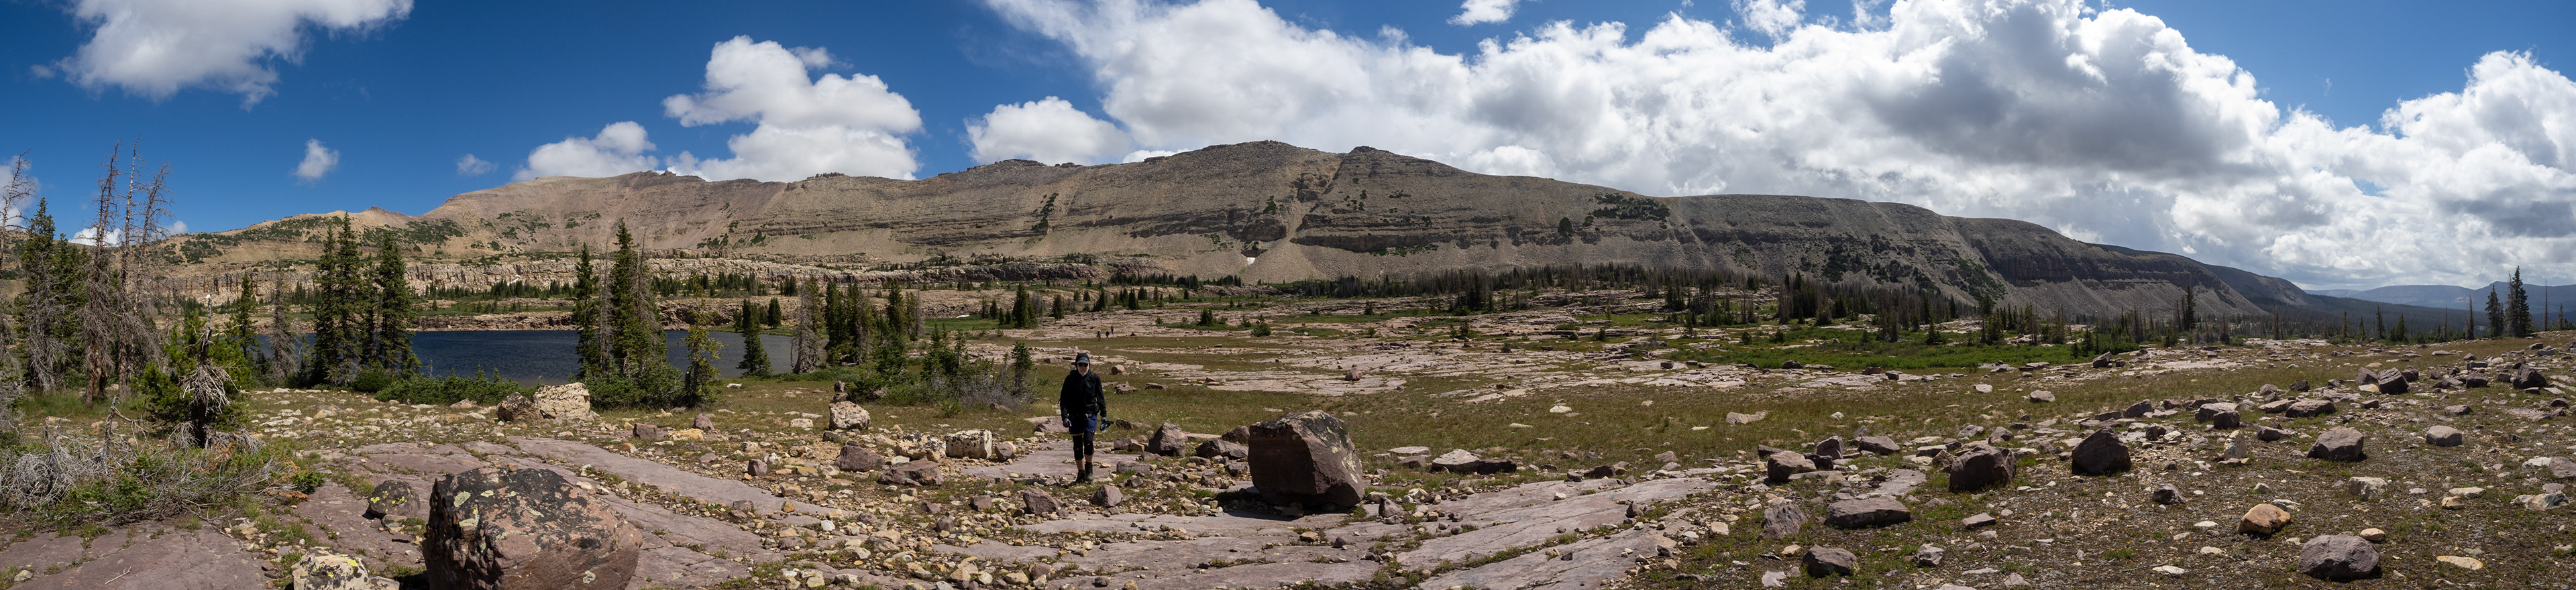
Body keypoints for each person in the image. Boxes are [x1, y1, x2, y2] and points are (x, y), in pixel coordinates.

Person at [1059, 352, 1106, 483]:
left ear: (1089, 365)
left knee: (1089, 441)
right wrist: (1065, 417)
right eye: (1080, 364)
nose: (1083, 367)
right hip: (1074, 417)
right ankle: (1081, 473)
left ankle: (1089, 468)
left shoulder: (1095, 378)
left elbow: (1101, 398)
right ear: (1076, 365)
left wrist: (1104, 415)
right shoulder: (1070, 379)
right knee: (1078, 446)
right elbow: (1064, 400)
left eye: (1086, 365)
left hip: (1090, 416)